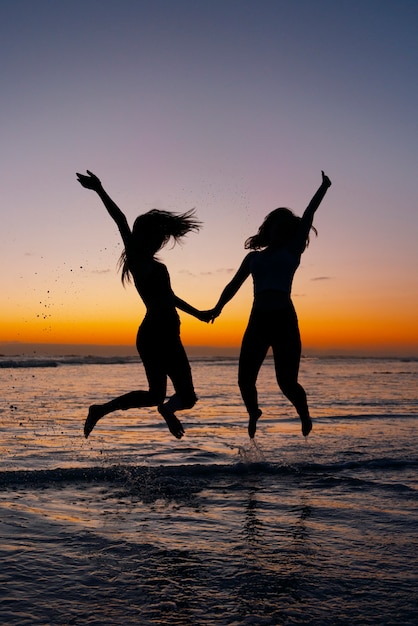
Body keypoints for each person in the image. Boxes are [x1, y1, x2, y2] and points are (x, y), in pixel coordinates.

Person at [76, 170, 207, 440]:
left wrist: (200, 314)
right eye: (157, 236)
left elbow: (170, 297)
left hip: (163, 332)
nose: (161, 241)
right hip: (157, 332)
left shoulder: (156, 265)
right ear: (146, 237)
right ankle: (164, 412)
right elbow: (120, 219)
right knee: (180, 395)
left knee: (160, 395)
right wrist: (100, 189)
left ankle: (101, 409)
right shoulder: (137, 259)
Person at [204, 171, 332, 439]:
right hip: (259, 320)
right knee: (244, 380)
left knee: (287, 382)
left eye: (286, 229)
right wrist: (217, 308)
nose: (281, 231)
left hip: (284, 319)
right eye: (278, 226)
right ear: (269, 228)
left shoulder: (292, 251)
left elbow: (308, 215)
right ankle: (254, 412)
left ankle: (304, 412)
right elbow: (233, 285)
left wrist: (324, 187)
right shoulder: (253, 258)